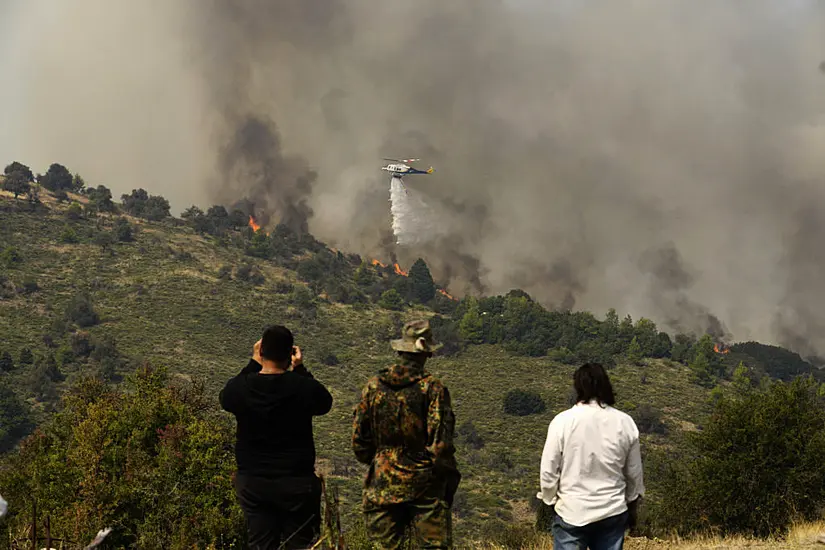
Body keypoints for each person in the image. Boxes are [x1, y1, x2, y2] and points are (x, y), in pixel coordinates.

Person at [220, 325, 333, 550]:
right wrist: (300, 369)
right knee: (301, 544)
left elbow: (225, 397)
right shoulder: (302, 387)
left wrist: (253, 363)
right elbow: (324, 403)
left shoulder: (243, 387)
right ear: (289, 353)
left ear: (261, 352)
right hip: (297, 485)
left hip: (254, 485)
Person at [352, 319, 461, 549]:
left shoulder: (373, 387)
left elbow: (360, 441)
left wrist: (381, 460)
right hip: (425, 485)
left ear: (400, 350)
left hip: (382, 482)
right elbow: (440, 444)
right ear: (426, 353)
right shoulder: (432, 389)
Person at [538, 362, 644, 550]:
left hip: (572, 510)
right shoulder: (625, 422)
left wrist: (550, 499)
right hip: (612, 509)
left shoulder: (562, 422)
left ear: (578, 386)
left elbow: (548, 470)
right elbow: (634, 473)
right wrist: (630, 501)